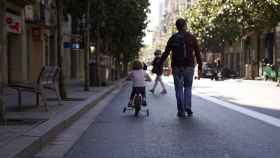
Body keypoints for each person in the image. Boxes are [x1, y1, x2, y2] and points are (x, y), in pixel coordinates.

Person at [158, 18, 202, 117]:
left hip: (176, 67)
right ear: (185, 26)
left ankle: (181, 111)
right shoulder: (191, 37)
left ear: (177, 27)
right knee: (187, 87)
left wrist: (159, 63)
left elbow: (166, 53)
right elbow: (198, 53)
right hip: (189, 66)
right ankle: (188, 106)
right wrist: (200, 67)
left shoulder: (173, 38)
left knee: (178, 89)